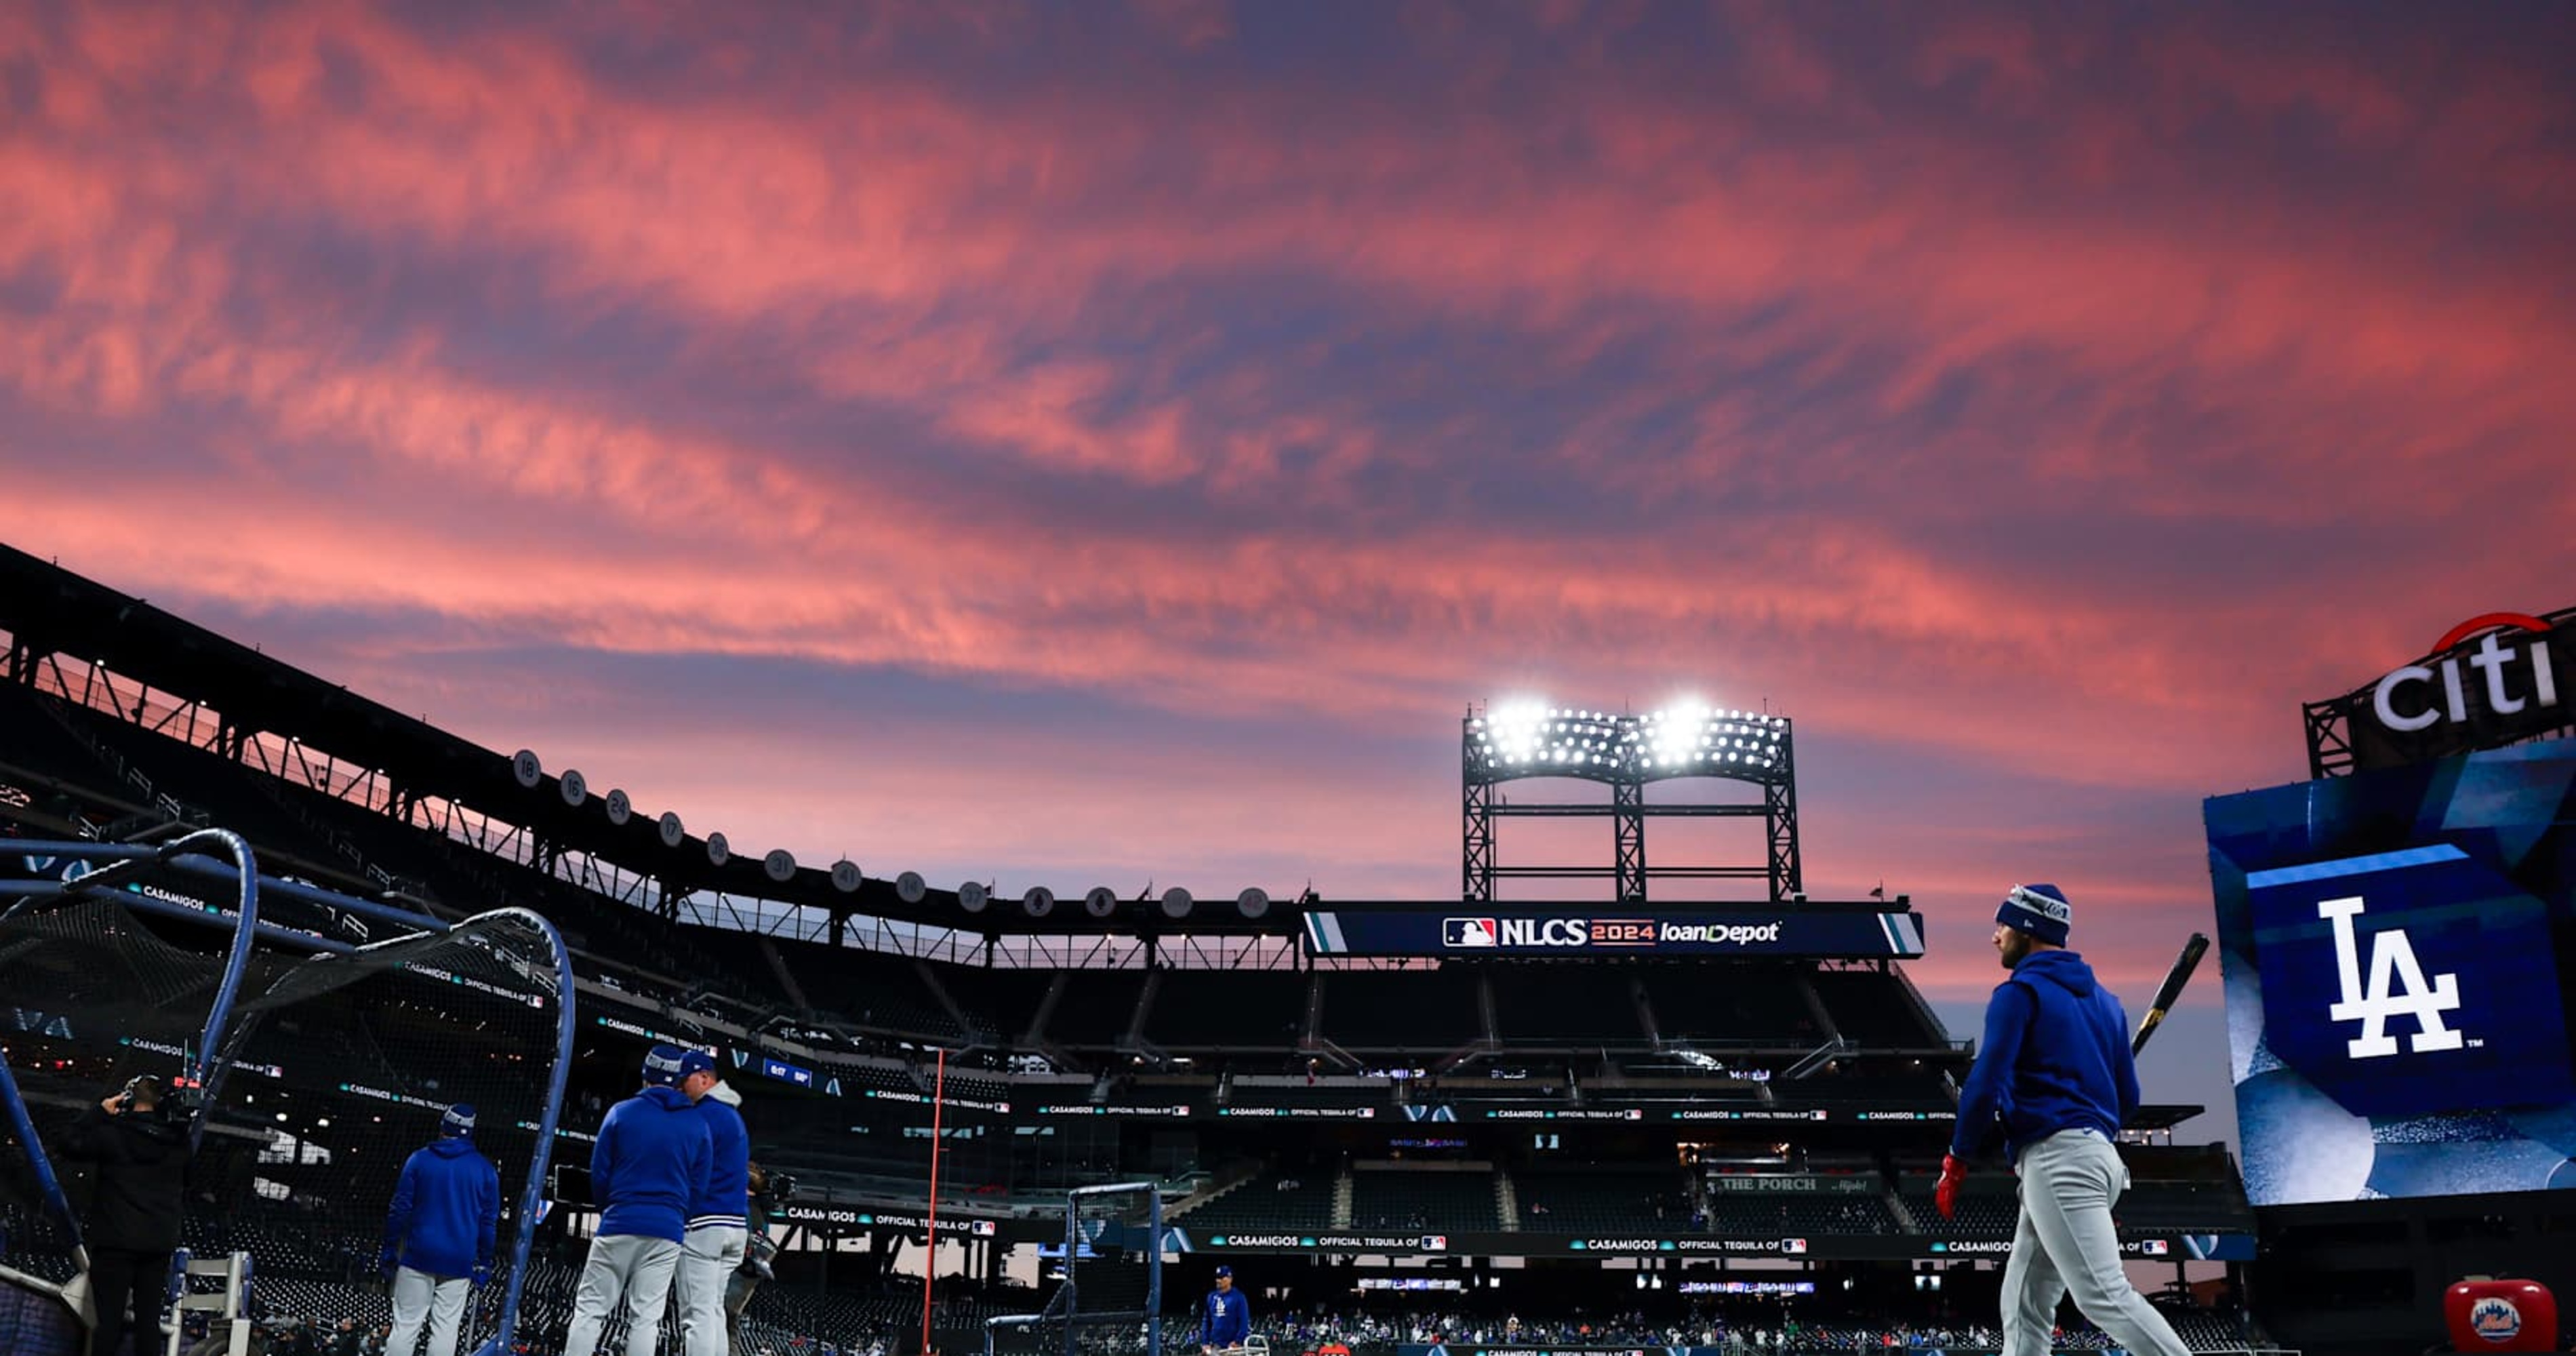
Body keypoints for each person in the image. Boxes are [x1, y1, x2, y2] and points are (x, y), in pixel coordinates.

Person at [1937, 883, 2190, 1356]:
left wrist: (1958, 1156)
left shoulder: (2019, 994)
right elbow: (2128, 1102)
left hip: (2059, 1162)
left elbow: (1982, 1085)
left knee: (2105, 1297)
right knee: (2025, 1301)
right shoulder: (2107, 1003)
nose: (1995, 937)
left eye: (2003, 925)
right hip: (2094, 1157)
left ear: (2028, 931)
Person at [561, 1045, 717, 1356]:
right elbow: (700, 1187)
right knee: (647, 1318)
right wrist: (679, 1217)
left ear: (646, 1074)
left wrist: (612, 1210)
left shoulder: (622, 1112)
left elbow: (600, 1174)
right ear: (678, 1079)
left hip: (621, 1219)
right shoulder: (698, 1125)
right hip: (668, 1229)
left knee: (591, 1310)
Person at [63, 1073, 191, 1356]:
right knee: (148, 1324)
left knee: (109, 1322)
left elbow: (68, 1142)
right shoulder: (178, 1141)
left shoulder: (113, 1134)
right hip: (157, 1244)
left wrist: (99, 1112)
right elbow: (191, 1181)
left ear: (129, 1098)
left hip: (115, 1242)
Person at [381, 1102, 501, 1356]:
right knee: (446, 1329)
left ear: (444, 1126)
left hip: (418, 1254)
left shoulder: (419, 1159)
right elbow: (488, 1223)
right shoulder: (486, 1170)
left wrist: (390, 1248)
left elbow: (399, 1209)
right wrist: (485, 1261)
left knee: (406, 1326)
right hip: (459, 1260)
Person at [675, 1075, 751, 1356]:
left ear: (705, 1078)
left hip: (707, 1223)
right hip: (734, 1224)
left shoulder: (704, 1114)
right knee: (714, 1311)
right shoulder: (732, 1116)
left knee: (697, 1316)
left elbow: (688, 1167)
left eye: (685, 1081)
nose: (680, 1088)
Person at [1198, 1264, 1249, 1354]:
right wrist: (1205, 1342)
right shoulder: (1211, 1296)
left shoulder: (1239, 1297)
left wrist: (1237, 1341)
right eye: (1217, 1278)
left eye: (1222, 1278)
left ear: (1230, 1279)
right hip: (1215, 1345)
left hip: (1232, 1346)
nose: (1218, 1281)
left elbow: (1244, 1322)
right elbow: (1206, 1321)